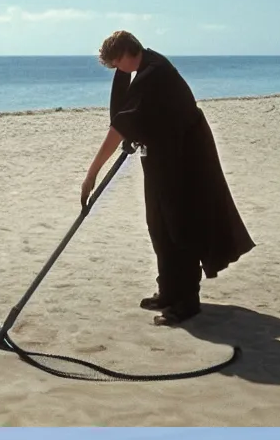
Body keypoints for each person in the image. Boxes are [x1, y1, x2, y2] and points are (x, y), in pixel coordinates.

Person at [85, 30, 253, 325]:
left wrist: (92, 173)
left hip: (184, 160)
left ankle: (187, 301)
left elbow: (121, 126)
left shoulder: (154, 74)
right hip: (161, 157)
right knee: (158, 224)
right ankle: (168, 291)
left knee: (180, 228)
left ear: (126, 54)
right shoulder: (145, 66)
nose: (116, 71)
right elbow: (128, 113)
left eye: (115, 65)